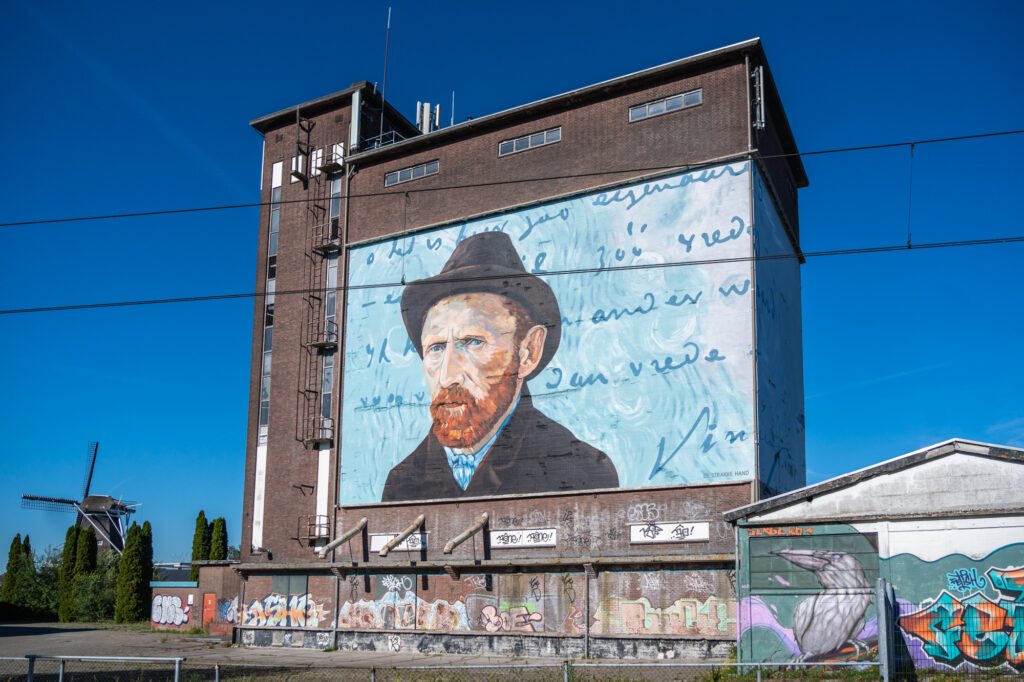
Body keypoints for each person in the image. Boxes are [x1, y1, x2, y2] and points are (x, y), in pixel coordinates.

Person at [381, 231, 618, 501]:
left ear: (529, 351)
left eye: (472, 342)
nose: (448, 376)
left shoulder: (581, 470)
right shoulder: (401, 482)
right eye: (436, 348)